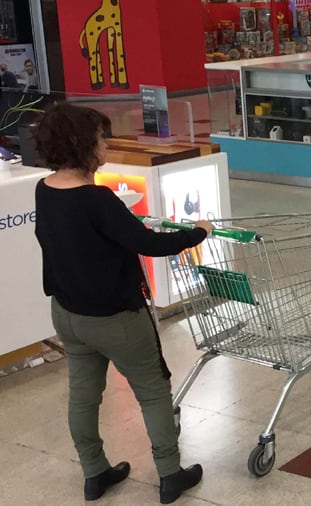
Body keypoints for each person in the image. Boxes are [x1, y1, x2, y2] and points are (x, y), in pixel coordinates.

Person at [31, 103, 211, 504]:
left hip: (68, 314)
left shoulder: (44, 190)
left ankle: (94, 473)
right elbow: (148, 244)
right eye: (100, 138)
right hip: (115, 316)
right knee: (152, 390)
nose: (106, 145)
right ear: (83, 146)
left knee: (83, 394)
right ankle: (169, 474)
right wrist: (197, 233)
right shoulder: (98, 200)